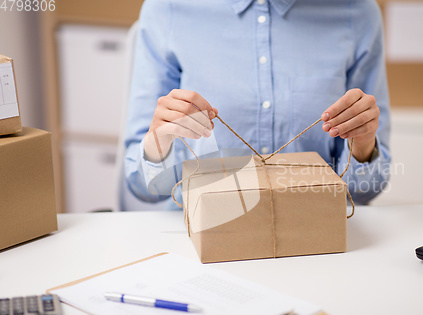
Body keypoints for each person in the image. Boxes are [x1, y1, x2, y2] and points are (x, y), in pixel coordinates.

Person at [124, 0, 391, 209]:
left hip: (313, 232)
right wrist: (159, 143)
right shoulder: (166, 9)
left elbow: (364, 191)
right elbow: (143, 187)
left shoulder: (356, 12)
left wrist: (364, 145)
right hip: (203, 233)